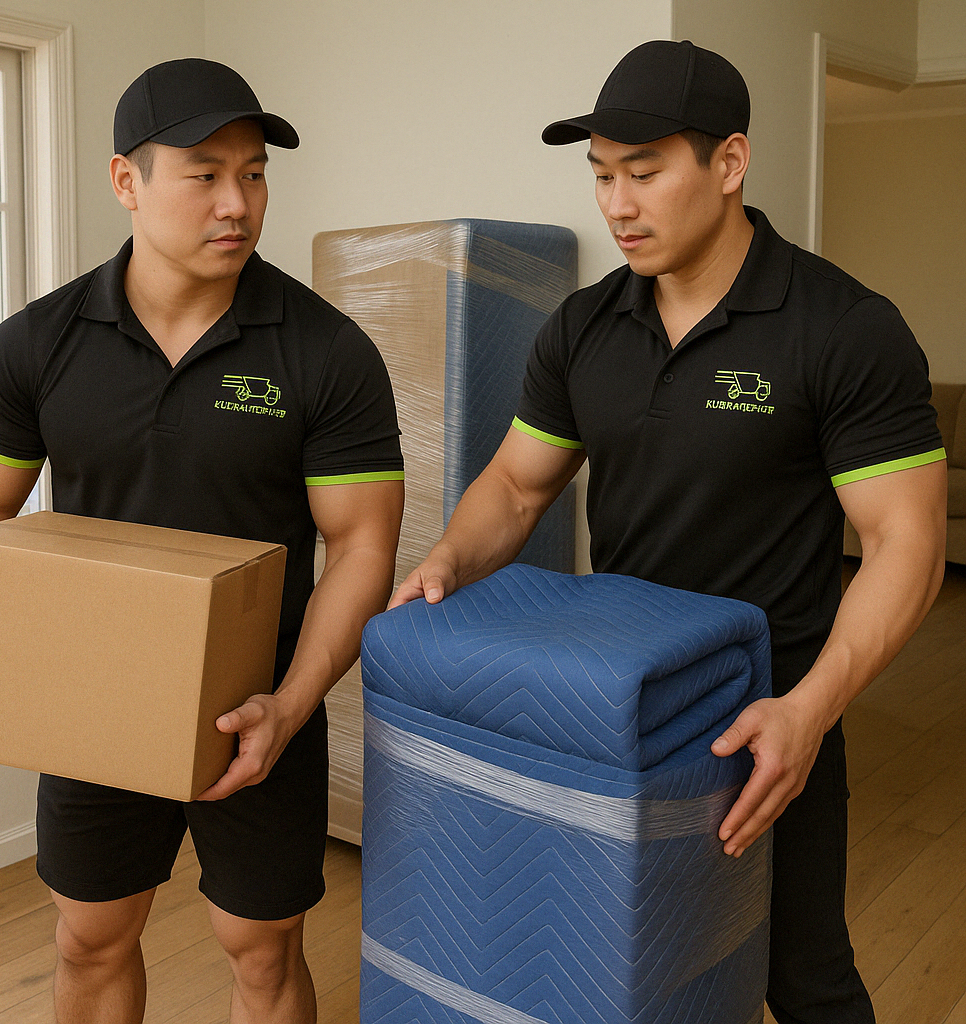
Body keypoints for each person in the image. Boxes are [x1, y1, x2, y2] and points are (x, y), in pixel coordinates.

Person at [390, 39, 947, 1024]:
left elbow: (906, 542)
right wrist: (444, 564)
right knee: (627, 972)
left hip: (769, 712)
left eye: (643, 173)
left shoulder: (841, 328)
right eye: (602, 175)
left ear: (729, 163)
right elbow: (516, 486)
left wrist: (810, 710)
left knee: (802, 976)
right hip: (622, 704)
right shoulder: (580, 327)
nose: (617, 204)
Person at [0, 59, 404, 1024]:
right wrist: (24, 669)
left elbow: (361, 546)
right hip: (96, 699)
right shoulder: (36, 345)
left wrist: (291, 704)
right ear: (127, 180)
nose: (238, 203)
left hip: (261, 706)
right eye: (205, 174)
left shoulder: (326, 353)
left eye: (255, 173)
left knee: (263, 955)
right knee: (89, 936)